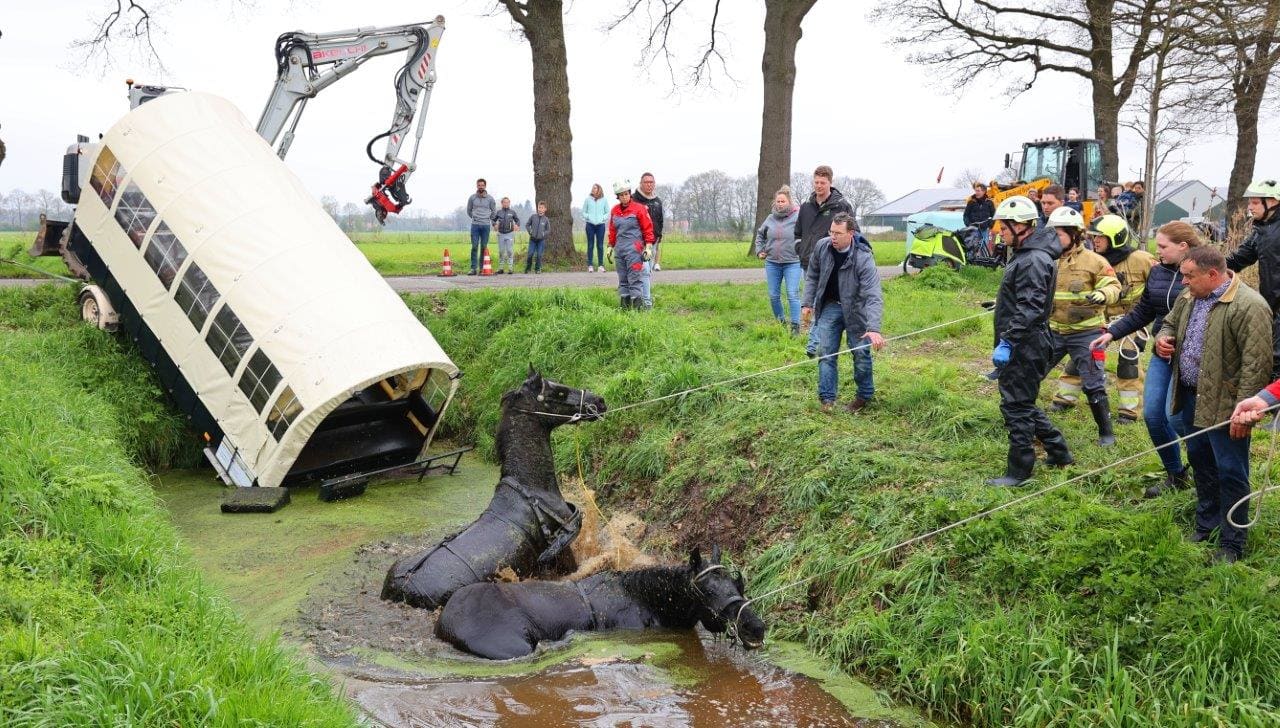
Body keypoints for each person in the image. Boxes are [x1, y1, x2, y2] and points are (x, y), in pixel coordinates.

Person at [1155, 246, 1273, 563]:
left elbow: (1256, 365)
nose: (1183, 282)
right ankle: (1206, 525)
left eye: (1188, 276)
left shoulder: (1249, 306)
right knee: (1201, 460)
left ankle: (1233, 541)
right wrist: (1163, 337)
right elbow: (1168, 322)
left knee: (1231, 470)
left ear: (1212, 275)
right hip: (1192, 395)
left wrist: (1245, 414)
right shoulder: (1190, 296)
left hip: (1228, 405)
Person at [1091, 221, 1201, 498]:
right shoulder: (1158, 272)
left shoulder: (1205, 273)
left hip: (1194, 359)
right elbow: (1144, 311)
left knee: (1176, 420)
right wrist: (1112, 333)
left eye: (1163, 246)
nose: (1157, 250)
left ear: (1183, 247)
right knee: (1153, 416)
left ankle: (1207, 472)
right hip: (1162, 353)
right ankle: (1176, 474)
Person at [986, 195, 1074, 487]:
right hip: (1026, 340)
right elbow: (1021, 297)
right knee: (1022, 401)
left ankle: (1019, 471)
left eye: (1004, 226)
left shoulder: (1034, 259)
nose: (1000, 232)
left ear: (1021, 226)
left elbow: (1031, 307)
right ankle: (1060, 452)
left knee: (1015, 407)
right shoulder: (1027, 254)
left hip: (1025, 344)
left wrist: (1009, 342)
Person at [1045, 206, 1122, 447]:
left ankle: (1106, 433)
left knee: (1093, 383)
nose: (1054, 240)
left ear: (1075, 234)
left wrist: (1103, 294)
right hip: (1052, 332)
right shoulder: (1046, 259)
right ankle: (1022, 418)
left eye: (1058, 234)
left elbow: (1114, 286)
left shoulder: (1095, 261)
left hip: (1087, 334)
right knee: (1031, 372)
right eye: (1051, 234)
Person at [800, 212, 885, 414]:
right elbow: (812, 275)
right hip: (830, 306)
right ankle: (827, 399)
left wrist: (873, 328)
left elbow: (873, 295)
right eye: (831, 231)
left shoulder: (863, 257)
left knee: (860, 353)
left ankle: (864, 396)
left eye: (838, 233)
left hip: (857, 310)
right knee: (826, 353)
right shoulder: (822, 246)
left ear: (851, 233)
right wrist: (807, 303)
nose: (833, 237)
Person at [1225, 179, 1280, 378]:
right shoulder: (1261, 230)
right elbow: (1239, 259)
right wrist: (1205, 266)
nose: (1249, 207)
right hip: (1271, 307)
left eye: (1255, 202)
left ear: (1273, 201)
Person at [752, 186, 802, 334]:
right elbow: (760, 235)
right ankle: (780, 322)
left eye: (783, 201)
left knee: (792, 293)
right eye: (778, 201)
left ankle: (795, 326)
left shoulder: (797, 217)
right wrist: (760, 251)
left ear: (789, 202)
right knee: (774, 295)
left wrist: (802, 248)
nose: (780, 203)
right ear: (775, 202)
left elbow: (806, 234)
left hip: (793, 262)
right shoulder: (770, 218)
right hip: (772, 262)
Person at [794, 165, 854, 272]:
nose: (819, 186)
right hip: (808, 263)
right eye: (816, 182)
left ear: (830, 183)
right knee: (810, 289)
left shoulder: (842, 206)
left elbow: (853, 233)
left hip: (832, 264)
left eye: (823, 183)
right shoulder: (805, 207)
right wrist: (800, 249)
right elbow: (797, 232)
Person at [607, 179, 656, 310]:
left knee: (634, 279)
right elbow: (612, 229)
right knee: (623, 279)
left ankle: (638, 309)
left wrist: (649, 247)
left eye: (626, 194)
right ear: (618, 196)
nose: (624, 197)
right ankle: (625, 309)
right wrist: (610, 246)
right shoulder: (615, 211)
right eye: (621, 195)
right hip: (620, 249)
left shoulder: (639, 209)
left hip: (634, 249)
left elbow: (648, 229)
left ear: (630, 194)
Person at [633, 173, 665, 277]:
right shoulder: (633, 200)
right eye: (646, 182)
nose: (649, 185)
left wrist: (659, 236)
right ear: (641, 183)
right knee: (638, 270)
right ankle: (635, 292)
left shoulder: (657, 201)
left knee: (647, 271)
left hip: (652, 242)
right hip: (637, 240)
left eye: (651, 182)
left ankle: (645, 292)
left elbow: (660, 220)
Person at [466, 179, 497, 275]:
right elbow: (469, 210)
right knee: (474, 246)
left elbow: (494, 211)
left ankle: (482, 268)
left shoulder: (490, 199)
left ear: (485, 186)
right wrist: (475, 217)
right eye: (479, 185)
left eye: (482, 185)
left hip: (486, 226)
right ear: (477, 186)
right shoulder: (472, 198)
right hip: (475, 225)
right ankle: (473, 268)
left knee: (484, 247)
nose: (481, 187)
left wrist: (488, 218)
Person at [583, 183, 609, 273]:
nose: (593, 189)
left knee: (600, 245)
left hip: (600, 225)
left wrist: (603, 218)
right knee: (590, 245)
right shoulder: (587, 200)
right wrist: (588, 217)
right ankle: (590, 265)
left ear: (599, 189)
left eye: (595, 188)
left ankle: (601, 266)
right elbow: (584, 212)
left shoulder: (604, 200)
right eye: (593, 188)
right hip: (590, 225)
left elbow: (607, 212)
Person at [492, 196, 521, 275]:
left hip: (510, 233)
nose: (506, 204)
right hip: (501, 234)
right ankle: (501, 268)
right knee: (501, 251)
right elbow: (493, 220)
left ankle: (510, 268)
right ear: (502, 203)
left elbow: (517, 220)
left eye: (507, 202)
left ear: (509, 203)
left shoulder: (512, 212)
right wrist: (494, 225)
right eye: (504, 202)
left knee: (509, 251)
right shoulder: (499, 212)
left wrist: (517, 225)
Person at [524, 201, 550, 274]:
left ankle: (537, 269)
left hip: (541, 241)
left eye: (542, 208)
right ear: (537, 208)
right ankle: (528, 268)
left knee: (539, 255)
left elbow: (548, 230)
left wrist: (543, 233)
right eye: (539, 207)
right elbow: (527, 225)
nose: (540, 209)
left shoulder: (546, 219)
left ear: (545, 209)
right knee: (530, 254)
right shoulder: (533, 217)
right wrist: (530, 231)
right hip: (532, 240)